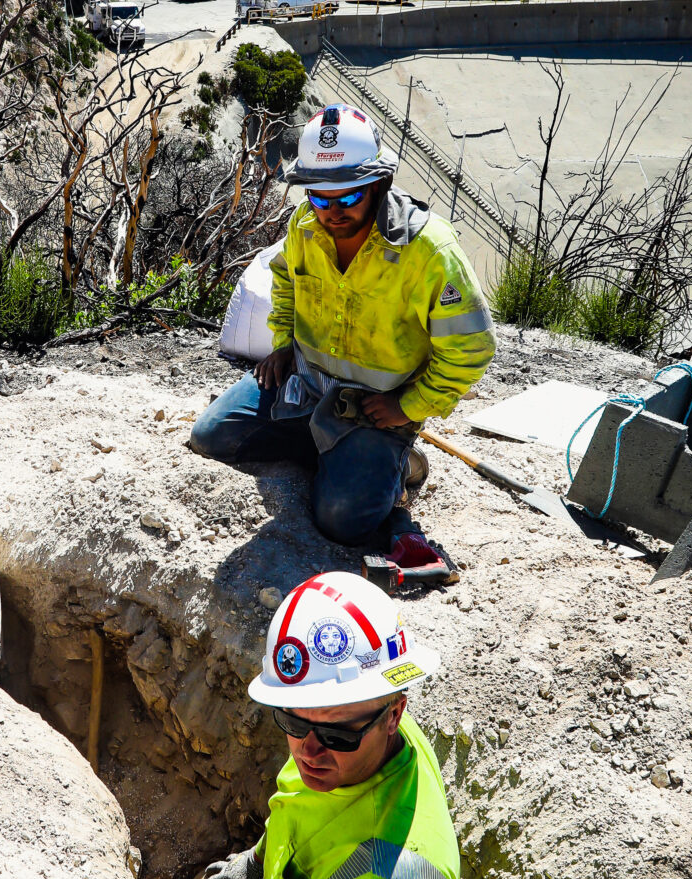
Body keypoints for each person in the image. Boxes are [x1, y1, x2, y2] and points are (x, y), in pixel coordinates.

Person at [159, 571, 460, 879]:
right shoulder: (355, 728)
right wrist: (257, 863)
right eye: (294, 723)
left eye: (335, 735)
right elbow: (300, 804)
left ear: (394, 713)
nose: (311, 751)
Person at [189, 104, 495, 562]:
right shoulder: (304, 227)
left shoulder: (429, 250)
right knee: (212, 436)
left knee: (342, 522)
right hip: (307, 384)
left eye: (348, 198)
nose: (333, 211)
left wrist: (407, 407)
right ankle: (334, 452)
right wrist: (283, 347)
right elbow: (288, 284)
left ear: (377, 183)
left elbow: (472, 347)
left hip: (375, 408)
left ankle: (398, 466)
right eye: (319, 197)